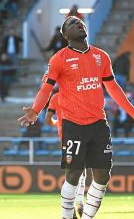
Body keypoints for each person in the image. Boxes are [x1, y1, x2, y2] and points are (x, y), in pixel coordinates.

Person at [17, 16, 134, 219]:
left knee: (103, 175)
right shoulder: (59, 59)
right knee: (74, 174)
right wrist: (36, 110)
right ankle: (66, 216)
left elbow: (112, 88)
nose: (78, 23)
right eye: (71, 23)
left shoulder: (101, 56)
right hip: (73, 123)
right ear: (65, 34)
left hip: (98, 123)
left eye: (79, 21)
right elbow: (46, 88)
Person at [45, 90, 86, 218]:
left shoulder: (56, 97)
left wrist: (58, 123)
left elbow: (48, 120)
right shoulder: (79, 94)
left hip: (66, 138)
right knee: (81, 172)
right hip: (81, 134)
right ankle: (79, 203)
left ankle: (72, 206)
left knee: (72, 173)